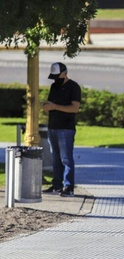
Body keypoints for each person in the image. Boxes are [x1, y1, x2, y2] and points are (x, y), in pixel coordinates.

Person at [42, 62, 81, 197]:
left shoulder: (73, 87)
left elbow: (75, 108)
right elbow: (52, 104)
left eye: (57, 76)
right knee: (55, 159)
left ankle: (68, 187)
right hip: (52, 127)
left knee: (66, 159)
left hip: (66, 128)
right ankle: (57, 185)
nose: (55, 79)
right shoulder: (54, 86)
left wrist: (54, 107)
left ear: (65, 73)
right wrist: (47, 107)